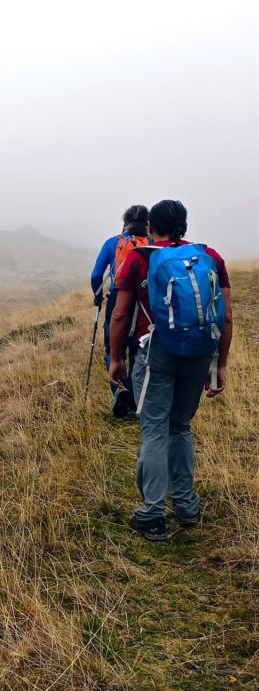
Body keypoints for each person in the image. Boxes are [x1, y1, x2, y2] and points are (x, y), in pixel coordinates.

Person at [108, 200, 233, 541]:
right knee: (180, 426)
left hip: (155, 353)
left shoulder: (139, 257)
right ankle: (187, 507)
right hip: (198, 352)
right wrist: (220, 364)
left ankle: (152, 515)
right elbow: (225, 315)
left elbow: (120, 315)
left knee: (154, 430)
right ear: (183, 225)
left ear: (151, 226)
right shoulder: (209, 256)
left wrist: (116, 358)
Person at [90, 205, 150, 416]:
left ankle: (119, 391)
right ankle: (135, 399)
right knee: (138, 348)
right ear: (147, 224)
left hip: (117, 297)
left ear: (124, 223)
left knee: (113, 348)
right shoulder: (151, 244)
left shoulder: (113, 242)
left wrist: (98, 296)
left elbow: (97, 274)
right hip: (144, 301)